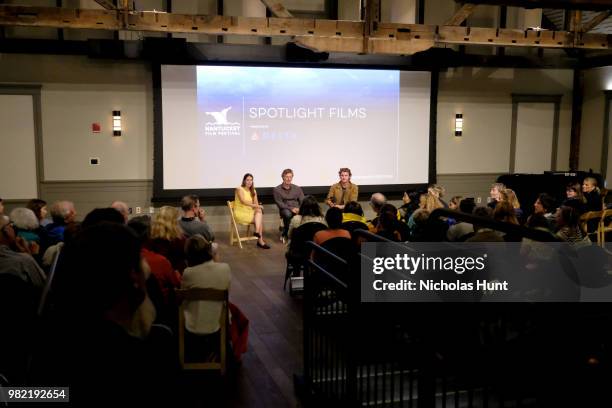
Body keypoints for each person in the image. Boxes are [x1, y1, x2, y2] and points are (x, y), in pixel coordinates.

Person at [234, 173, 269, 249]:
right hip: (241, 213)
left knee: (259, 212)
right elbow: (243, 201)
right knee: (259, 219)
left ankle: (257, 232)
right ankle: (260, 241)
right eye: (247, 180)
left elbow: (256, 203)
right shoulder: (239, 189)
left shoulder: (253, 191)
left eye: (251, 180)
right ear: (244, 181)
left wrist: (257, 207)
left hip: (250, 211)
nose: (249, 182)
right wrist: (257, 206)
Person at [273, 169, 304, 239]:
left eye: (290, 177)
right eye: (286, 177)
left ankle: (302, 233)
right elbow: (279, 203)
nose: (288, 179)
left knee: (307, 212)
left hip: (297, 208)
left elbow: (302, 200)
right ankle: (287, 232)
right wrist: (291, 209)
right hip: (285, 209)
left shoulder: (297, 188)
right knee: (288, 214)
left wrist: (300, 208)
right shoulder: (277, 189)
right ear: (283, 177)